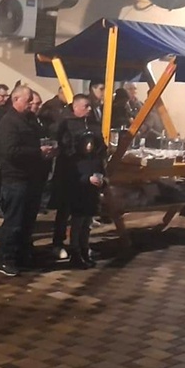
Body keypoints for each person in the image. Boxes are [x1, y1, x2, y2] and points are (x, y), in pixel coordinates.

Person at [0, 85, 55, 277]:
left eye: (32, 100)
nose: (31, 104)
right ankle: (6, 259)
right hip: (16, 179)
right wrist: (37, 152)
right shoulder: (9, 122)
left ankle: (23, 254)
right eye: (28, 100)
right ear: (16, 100)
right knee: (14, 221)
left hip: (32, 178)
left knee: (28, 221)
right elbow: (10, 151)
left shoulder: (31, 120)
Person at [56, 94, 106, 268]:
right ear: (76, 107)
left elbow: (101, 149)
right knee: (77, 218)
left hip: (93, 174)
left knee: (88, 219)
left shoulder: (93, 124)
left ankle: (85, 248)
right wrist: (84, 177)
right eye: (86, 106)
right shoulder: (67, 125)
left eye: (90, 106)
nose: (89, 109)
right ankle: (74, 250)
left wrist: (101, 174)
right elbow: (66, 156)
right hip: (77, 177)